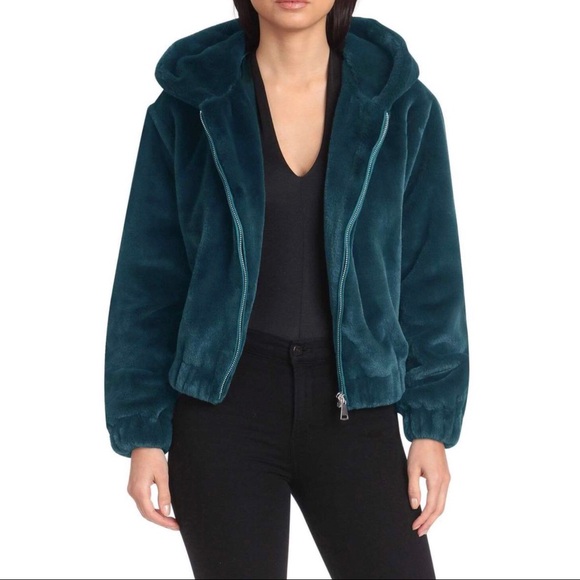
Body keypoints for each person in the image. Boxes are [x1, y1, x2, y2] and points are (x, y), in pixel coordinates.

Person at [104, 1, 470, 578]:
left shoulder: (403, 107)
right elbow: (149, 278)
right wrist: (143, 432)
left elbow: (431, 274)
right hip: (222, 413)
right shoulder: (188, 108)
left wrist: (430, 425)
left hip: (355, 406)